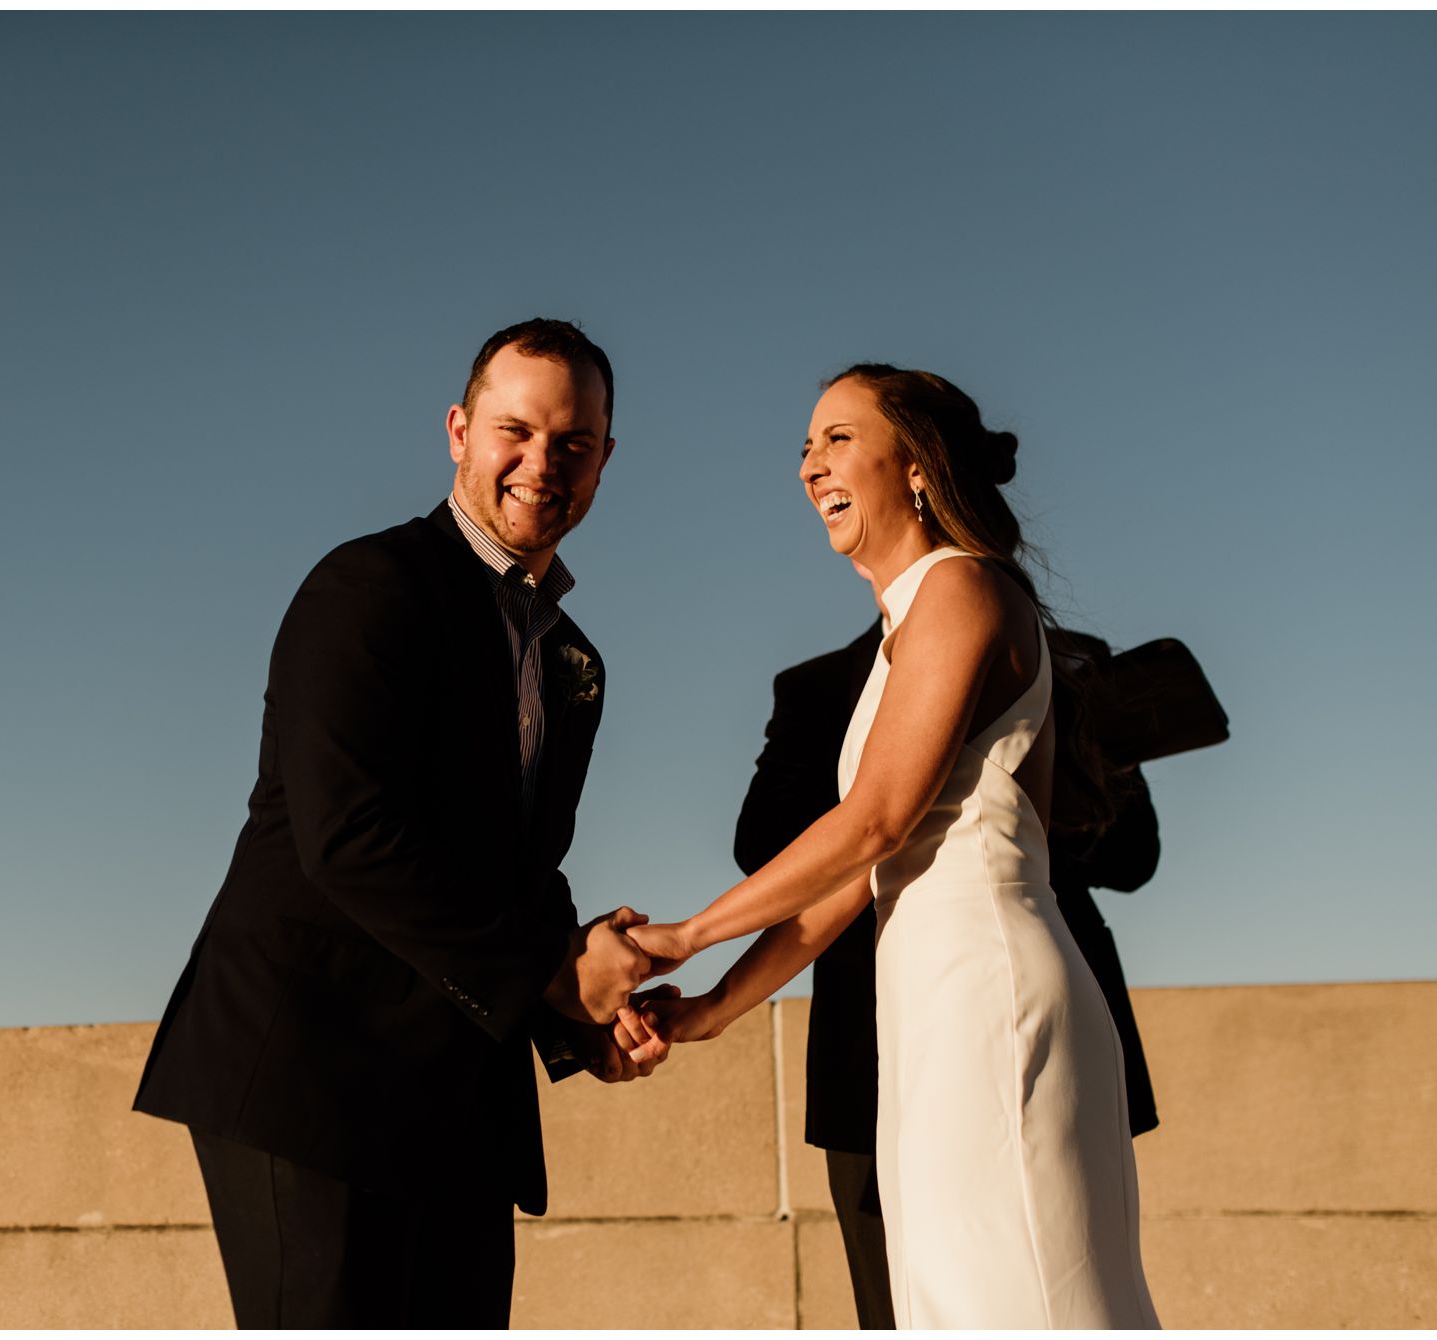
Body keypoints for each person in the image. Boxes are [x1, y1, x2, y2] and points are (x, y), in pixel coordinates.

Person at [133, 319, 661, 1329]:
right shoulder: (367, 585)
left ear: (602, 458)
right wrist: (549, 970)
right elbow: (348, 835)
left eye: (573, 443)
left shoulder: (572, 660)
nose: (540, 463)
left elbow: (521, 872)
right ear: (459, 431)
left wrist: (580, 1011)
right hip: (309, 1072)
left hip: (452, 1092)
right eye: (514, 430)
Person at [623, 364, 1159, 1328]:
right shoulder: (904, 627)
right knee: (950, 1302)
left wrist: (684, 935)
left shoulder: (962, 588)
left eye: (836, 438)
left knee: (1016, 1298)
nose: (808, 466)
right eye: (803, 447)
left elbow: (873, 819)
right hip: (926, 1002)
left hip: (986, 989)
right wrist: (713, 1010)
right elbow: (855, 882)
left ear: (916, 465)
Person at [733, 571, 1163, 1330]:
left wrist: (1032, 806)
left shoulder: (1071, 667)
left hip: (1031, 996)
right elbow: (760, 844)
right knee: (896, 1303)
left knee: (1067, 1273)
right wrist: (898, 784)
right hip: (868, 1033)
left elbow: (1134, 857)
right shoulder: (819, 686)